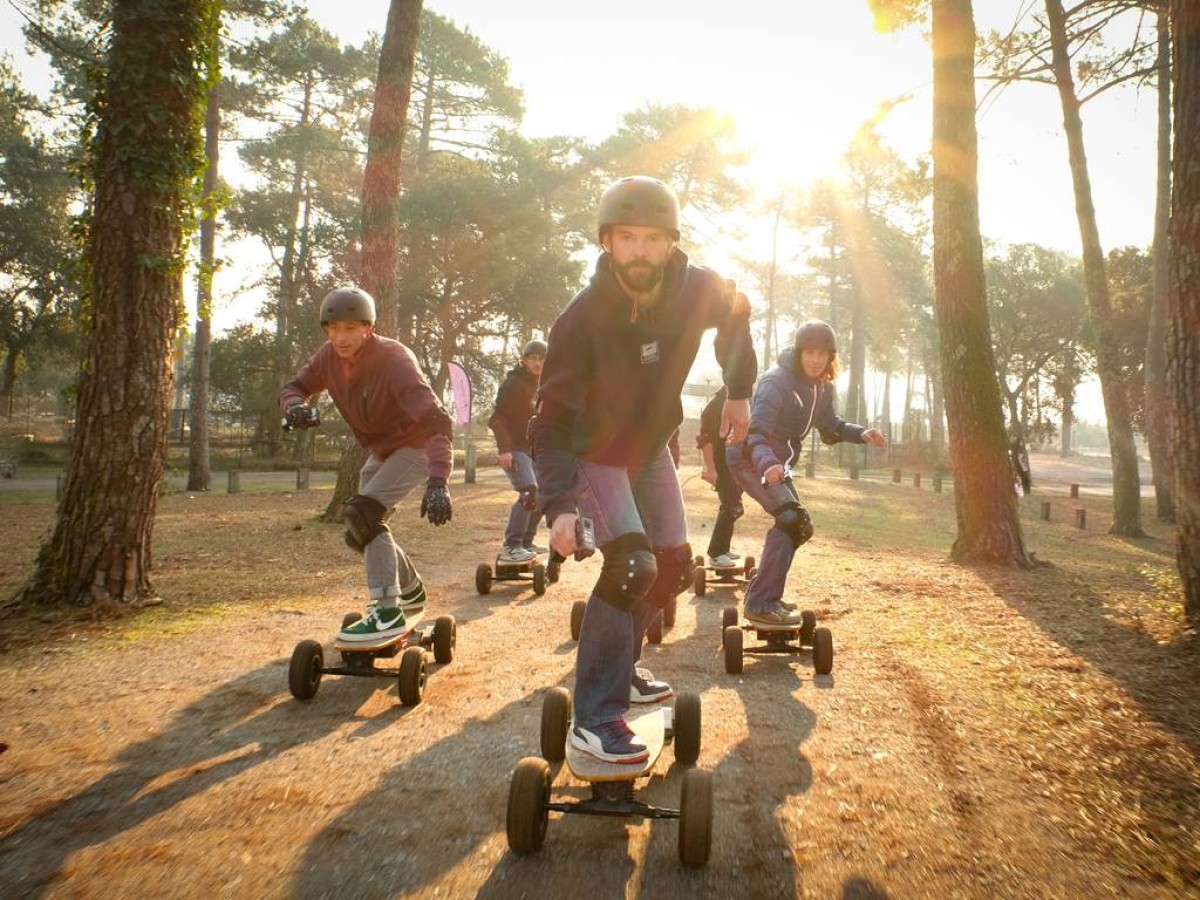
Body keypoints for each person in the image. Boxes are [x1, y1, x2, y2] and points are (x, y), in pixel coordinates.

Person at [531, 175, 757, 764]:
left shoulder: (695, 287)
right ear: (606, 242)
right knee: (632, 565)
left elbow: (736, 309)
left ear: (670, 244)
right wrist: (557, 505)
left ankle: (621, 666)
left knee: (674, 566)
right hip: (594, 452)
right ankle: (595, 717)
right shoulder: (579, 321)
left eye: (653, 239)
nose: (640, 251)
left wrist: (739, 389)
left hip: (649, 445)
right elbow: (550, 422)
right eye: (626, 238)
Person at [279, 286, 454, 644]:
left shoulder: (395, 360)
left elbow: (436, 420)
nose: (341, 338)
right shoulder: (329, 357)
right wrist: (294, 406)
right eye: (334, 329)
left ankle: (387, 610)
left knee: (364, 514)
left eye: (350, 329)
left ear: (367, 329)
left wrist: (438, 480)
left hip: (417, 445)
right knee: (360, 529)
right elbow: (296, 386)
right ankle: (410, 589)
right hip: (382, 450)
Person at [727, 320, 886, 625]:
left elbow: (831, 427)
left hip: (775, 462)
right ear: (800, 353)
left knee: (799, 526)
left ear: (830, 357)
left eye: (822, 354)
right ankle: (761, 604)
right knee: (789, 519)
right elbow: (755, 433)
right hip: (749, 457)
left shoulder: (821, 387)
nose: (815, 360)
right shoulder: (777, 382)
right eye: (809, 353)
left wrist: (862, 434)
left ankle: (764, 595)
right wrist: (768, 464)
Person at [488, 339, 548, 562]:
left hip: (533, 450)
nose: (538, 363)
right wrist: (504, 449)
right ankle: (512, 546)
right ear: (524, 360)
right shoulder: (514, 384)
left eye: (542, 359)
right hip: (514, 448)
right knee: (529, 491)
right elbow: (497, 418)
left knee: (543, 495)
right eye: (533, 358)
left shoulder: (542, 386)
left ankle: (526, 542)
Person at [697, 385, 745, 568]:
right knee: (732, 506)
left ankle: (723, 549)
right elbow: (705, 438)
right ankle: (716, 553)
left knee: (733, 506)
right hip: (721, 464)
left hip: (736, 465)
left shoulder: (739, 401)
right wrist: (710, 468)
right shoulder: (716, 405)